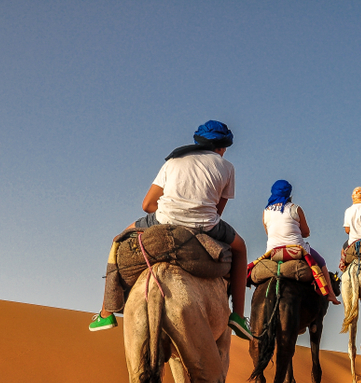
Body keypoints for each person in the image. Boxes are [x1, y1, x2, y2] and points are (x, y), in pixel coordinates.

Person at [89, 121, 252, 340]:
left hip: (163, 219)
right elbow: (217, 211)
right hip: (205, 224)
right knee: (240, 248)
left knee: (117, 240)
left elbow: (147, 205)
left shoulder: (173, 161)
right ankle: (239, 316)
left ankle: (106, 312)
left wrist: (171, 210)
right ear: (221, 146)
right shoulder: (227, 168)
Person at [261, 180, 340, 305]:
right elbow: (306, 232)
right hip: (297, 249)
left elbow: (268, 232)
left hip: (273, 251)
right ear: (289, 194)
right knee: (321, 262)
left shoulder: (266, 212)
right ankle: (330, 294)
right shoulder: (295, 208)